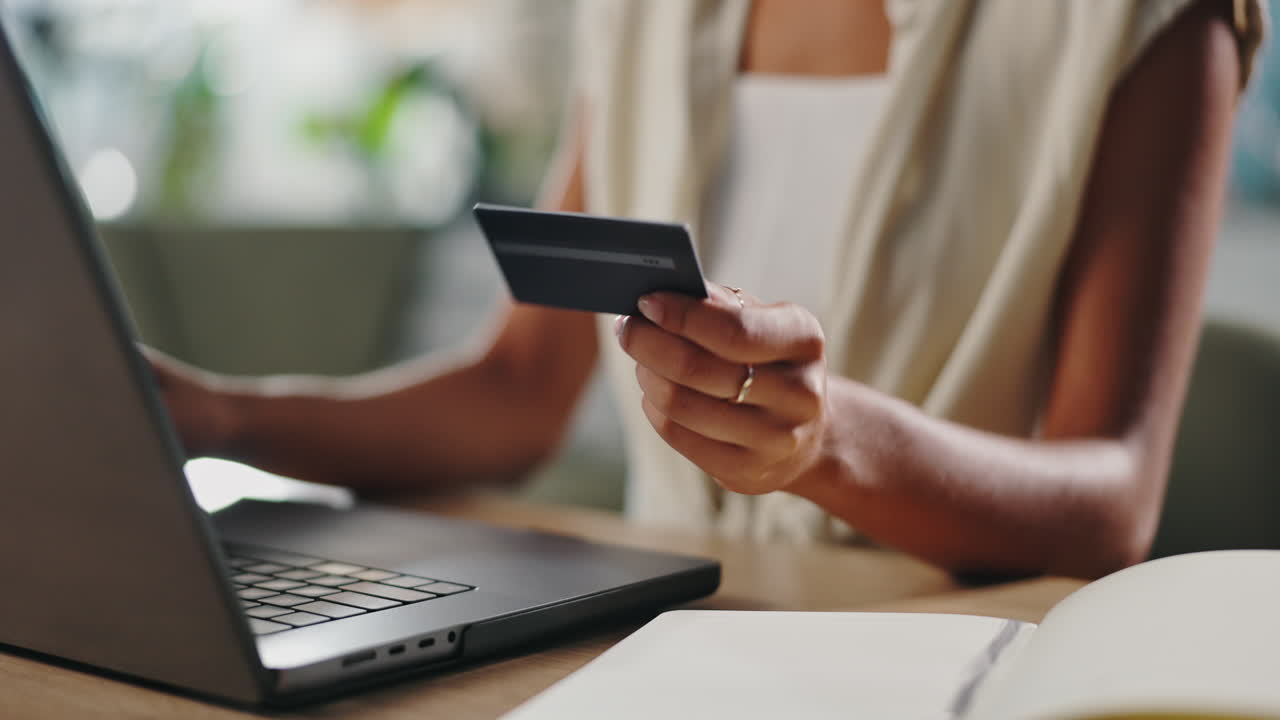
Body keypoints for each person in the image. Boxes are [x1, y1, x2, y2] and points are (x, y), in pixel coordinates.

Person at [151, 0, 1267, 579]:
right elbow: (516, 391)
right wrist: (210, 417)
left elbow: (1111, 500)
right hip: (673, 640)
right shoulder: (644, 17)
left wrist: (825, 443)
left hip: (941, 653)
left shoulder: (1139, 19)